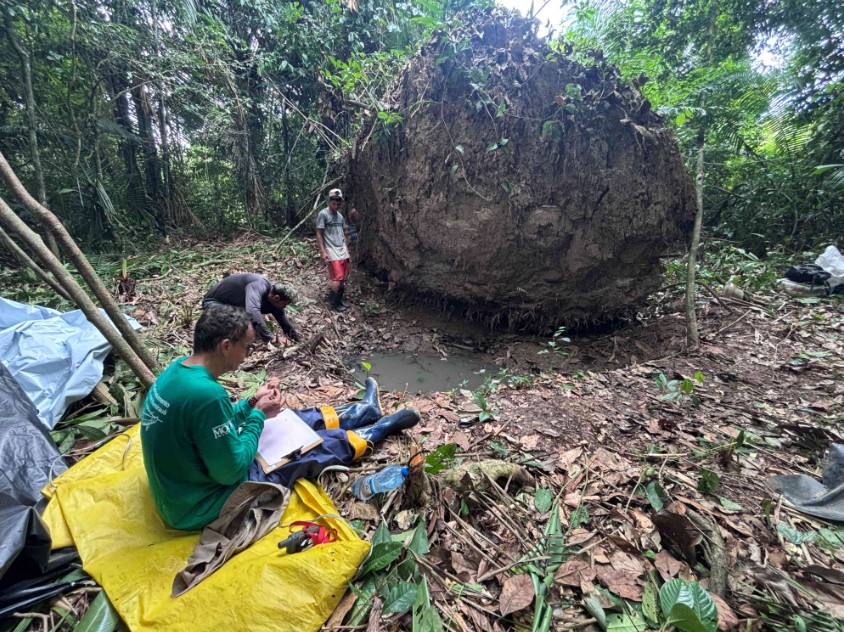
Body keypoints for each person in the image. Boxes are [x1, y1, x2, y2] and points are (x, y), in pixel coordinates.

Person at [140, 305, 419, 530]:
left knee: (289, 419)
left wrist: (252, 403)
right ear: (226, 345)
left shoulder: (177, 371)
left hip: (183, 489)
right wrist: (259, 416)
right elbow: (231, 471)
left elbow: (211, 423)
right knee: (306, 448)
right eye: (246, 347)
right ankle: (378, 429)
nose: (247, 355)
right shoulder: (206, 394)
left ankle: (364, 411)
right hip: (202, 505)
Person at [202, 273, 300, 346]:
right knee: (239, 323)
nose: (285, 307)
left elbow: (282, 319)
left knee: (251, 322)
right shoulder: (259, 284)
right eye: (285, 304)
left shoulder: (273, 299)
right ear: (276, 298)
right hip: (214, 302)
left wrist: (297, 341)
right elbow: (252, 310)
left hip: (235, 306)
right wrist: (270, 337)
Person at [316, 188, 350, 312]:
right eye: (333, 203)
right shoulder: (323, 214)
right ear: (329, 201)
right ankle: (333, 302)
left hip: (342, 249)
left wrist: (347, 251)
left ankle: (339, 299)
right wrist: (322, 251)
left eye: (338, 203)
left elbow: (343, 233)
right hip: (331, 249)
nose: (336, 206)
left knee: (343, 276)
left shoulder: (340, 216)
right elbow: (319, 232)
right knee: (337, 277)